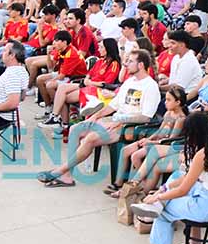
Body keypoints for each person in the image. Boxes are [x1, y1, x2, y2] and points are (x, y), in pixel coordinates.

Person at [130, 111, 208, 244]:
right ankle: (158, 204)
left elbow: (183, 189)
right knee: (176, 178)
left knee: (163, 213)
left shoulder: (203, 154)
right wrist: (164, 189)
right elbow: (186, 179)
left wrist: (157, 198)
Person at [39, 50, 161, 187]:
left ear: (141, 65)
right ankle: (67, 176)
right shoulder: (129, 82)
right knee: (75, 129)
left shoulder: (150, 86)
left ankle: (59, 171)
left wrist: (120, 121)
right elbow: (113, 106)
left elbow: (146, 117)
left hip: (129, 126)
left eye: (130, 61)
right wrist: (94, 117)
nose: (126, 64)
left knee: (90, 139)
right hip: (115, 120)